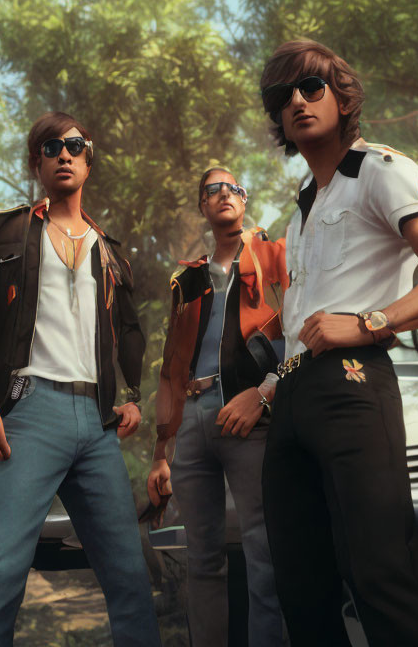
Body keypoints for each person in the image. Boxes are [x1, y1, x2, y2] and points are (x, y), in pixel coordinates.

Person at [258, 39, 418, 647]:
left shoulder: (381, 170)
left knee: (382, 571)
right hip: (293, 400)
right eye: (284, 97)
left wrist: (369, 322)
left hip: (354, 382)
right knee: (302, 589)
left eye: (313, 88)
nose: (299, 103)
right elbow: (301, 320)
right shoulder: (300, 210)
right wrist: (270, 387)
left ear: (342, 95)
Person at [0, 111, 162, 647]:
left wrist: (135, 397)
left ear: (88, 161)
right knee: (6, 571)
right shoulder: (3, 232)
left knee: (128, 576)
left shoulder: (111, 253)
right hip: (28, 411)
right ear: (37, 163)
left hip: (96, 424)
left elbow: (129, 331)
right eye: (51, 147)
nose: (64, 154)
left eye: (75, 145)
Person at [146, 167, 289, 647]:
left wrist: (269, 390)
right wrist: (162, 450)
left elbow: (298, 329)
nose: (224, 193)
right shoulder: (187, 278)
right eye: (213, 189)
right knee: (202, 557)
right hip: (193, 420)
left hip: (250, 417)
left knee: (265, 549)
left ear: (244, 202)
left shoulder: (274, 255)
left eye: (234, 188)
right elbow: (171, 365)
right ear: (203, 207)